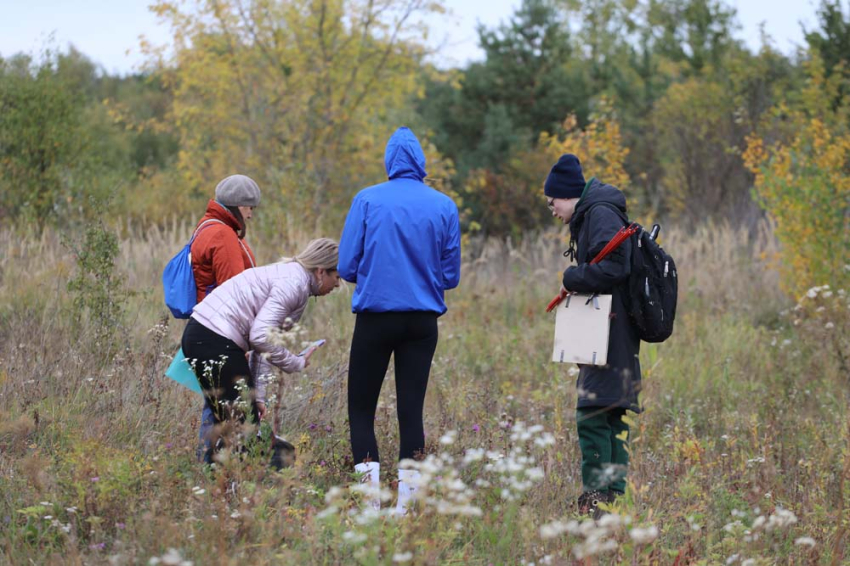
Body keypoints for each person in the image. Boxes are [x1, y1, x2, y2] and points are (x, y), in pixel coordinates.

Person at [338, 126, 461, 514]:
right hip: (422, 323)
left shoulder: (367, 200)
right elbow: (451, 276)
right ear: (421, 163)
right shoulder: (444, 205)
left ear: (389, 162)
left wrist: (377, 273)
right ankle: (407, 506)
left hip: (376, 318)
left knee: (361, 408)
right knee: (411, 408)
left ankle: (370, 504)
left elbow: (345, 265)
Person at [182, 238, 340, 466]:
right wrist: (295, 362)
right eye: (337, 278)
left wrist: (259, 396)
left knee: (231, 425)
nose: (337, 285)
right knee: (246, 431)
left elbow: (262, 345)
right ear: (321, 271)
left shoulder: (292, 278)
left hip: (202, 335)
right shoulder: (294, 285)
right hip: (214, 338)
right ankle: (246, 489)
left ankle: (216, 487)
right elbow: (260, 337)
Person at [544, 154, 641, 518]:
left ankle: (597, 505)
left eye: (552, 202)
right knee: (612, 411)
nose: (551, 209)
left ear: (569, 196)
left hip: (609, 329)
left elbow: (616, 266)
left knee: (593, 412)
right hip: (611, 327)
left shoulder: (599, 213)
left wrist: (573, 277)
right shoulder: (597, 212)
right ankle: (615, 504)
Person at [189, 175, 260, 460]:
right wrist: (240, 345)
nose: (252, 214)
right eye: (249, 207)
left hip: (209, 328)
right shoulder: (222, 235)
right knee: (222, 403)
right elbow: (236, 291)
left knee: (215, 400)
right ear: (237, 206)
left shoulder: (207, 227)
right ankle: (212, 466)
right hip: (223, 333)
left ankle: (210, 466)